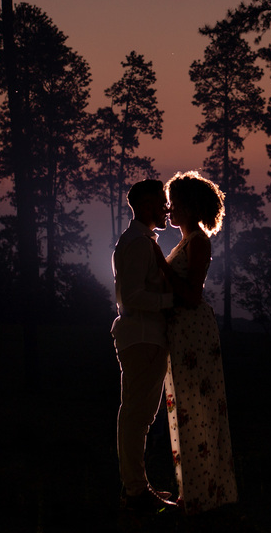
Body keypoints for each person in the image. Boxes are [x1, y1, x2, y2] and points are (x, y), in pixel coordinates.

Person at [157, 170, 238, 515]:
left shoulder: (199, 242)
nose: (169, 210)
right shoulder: (186, 242)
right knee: (186, 412)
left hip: (193, 334)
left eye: (174, 204)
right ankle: (193, 492)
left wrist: (161, 268)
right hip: (182, 334)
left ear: (189, 208)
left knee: (197, 411)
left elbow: (191, 296)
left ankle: (203, 495)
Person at [111, 179, 179, 514]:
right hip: (143, 338)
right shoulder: (138, 243)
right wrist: (172, 301)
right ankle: (135, 491)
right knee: (137, 416)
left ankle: (135, 487)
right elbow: (134, 297)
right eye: (161, 202)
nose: (167, 209)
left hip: (143, 337)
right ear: (147, 204)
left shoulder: (137, 241)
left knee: (138, 416)